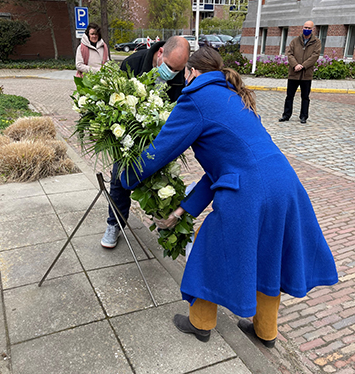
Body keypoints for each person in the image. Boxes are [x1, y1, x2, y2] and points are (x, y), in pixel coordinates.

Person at [120, 47, 338, 346]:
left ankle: (200, 323)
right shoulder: (234, 95)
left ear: (191, 72)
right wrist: (184, 209)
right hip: (285, 184)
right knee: (269, 254)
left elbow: (161, 150)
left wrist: (125, 178)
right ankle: (266, 331)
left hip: (250, 190)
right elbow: (224, 168)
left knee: (209, 249)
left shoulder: (195, 98)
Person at [101, 36, 190, 248]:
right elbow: (114, 100)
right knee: (119, 181)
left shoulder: (179, 77)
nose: (173, 73)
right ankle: (115, 224)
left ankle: (164, 227)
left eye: (178, 70)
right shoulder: (133, 63)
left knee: (161, 185)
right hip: (127, 138)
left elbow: (177, 111)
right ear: (160, 54)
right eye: (169, 67)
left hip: (158, 141)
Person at [279, 21, 321, 124]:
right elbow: (289, 54)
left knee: (305, 97)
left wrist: (303, 66)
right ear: (302, 28)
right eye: (305, 27)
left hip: (306, 75)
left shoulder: (316, 42)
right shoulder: (295, 41)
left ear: (312, 29)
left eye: (309, 28)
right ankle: (286, 115)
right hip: (293, 73)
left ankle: (303, 116)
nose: (306, 29)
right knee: (289, 96)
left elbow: (315, 56)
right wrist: (295, 65)